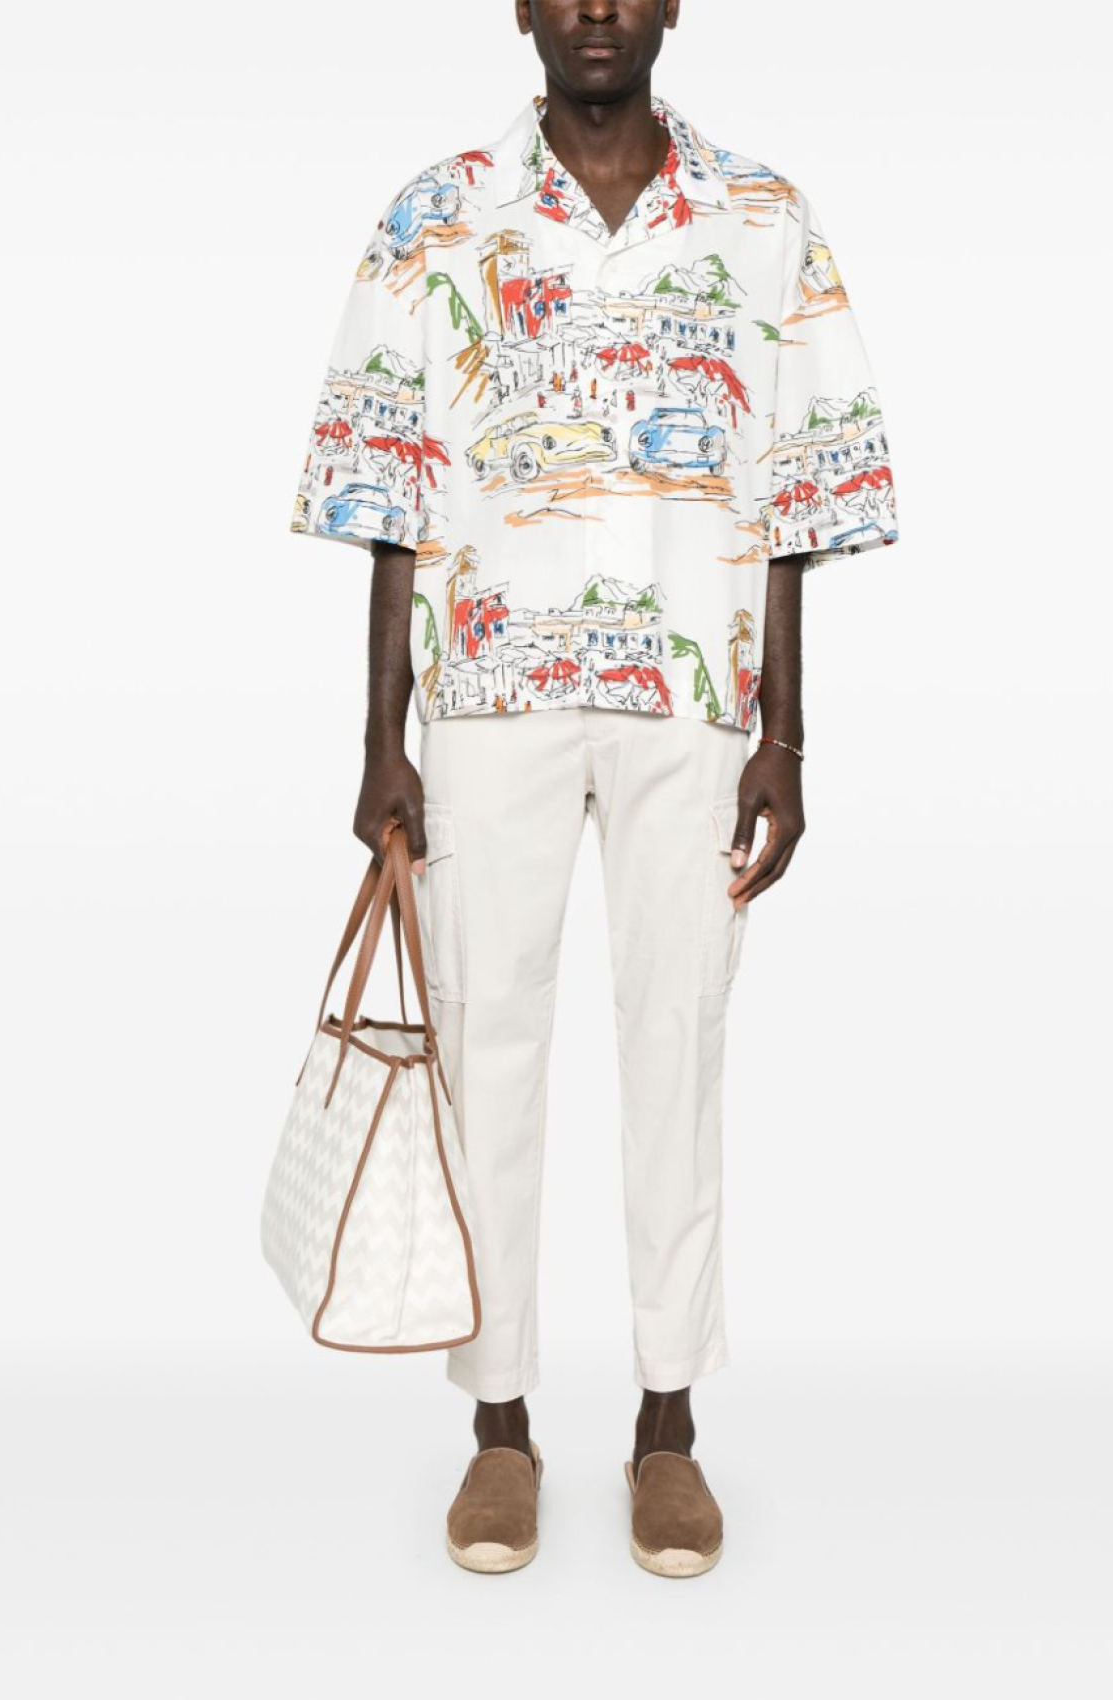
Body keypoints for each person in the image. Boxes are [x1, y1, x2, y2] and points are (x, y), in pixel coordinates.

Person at [289, 0, 898, 1578]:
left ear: (674, 1)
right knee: (483, 1040)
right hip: (485, 697)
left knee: (676, 1042)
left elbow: (796, 496)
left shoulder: (763, 218)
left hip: (692, 701)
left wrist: (786, 738)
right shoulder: (436, 216)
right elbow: (389, 489)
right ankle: (499, 1428)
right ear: (523, 7)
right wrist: (380, 738)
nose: (599, 10)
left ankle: (668, 1425)